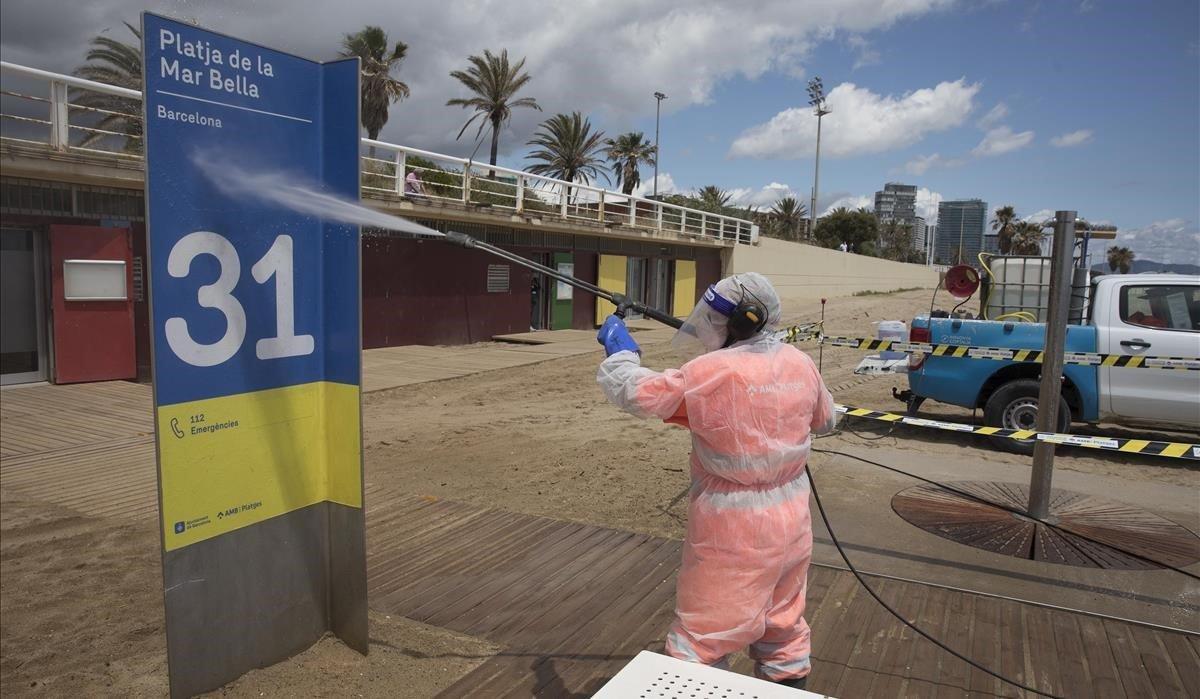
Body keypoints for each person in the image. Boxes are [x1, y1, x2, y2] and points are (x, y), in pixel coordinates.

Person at [595, 272, 836, 689]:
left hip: (732, 527)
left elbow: (636, 393)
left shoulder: (709, 370)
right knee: (783, 622)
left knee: (702, 638)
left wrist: (621, 354)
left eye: (713, 320)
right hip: (792, 518)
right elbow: (826, 418)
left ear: (741, 321)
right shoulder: (800, 361)